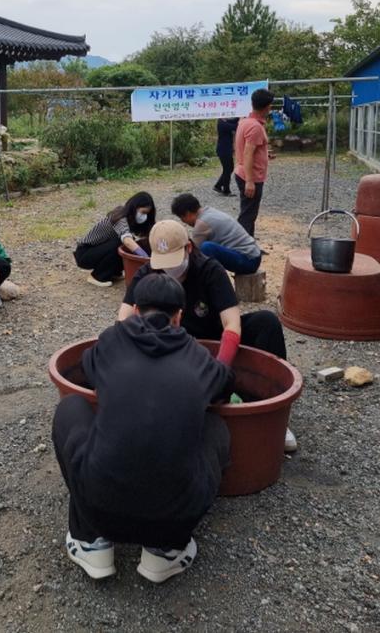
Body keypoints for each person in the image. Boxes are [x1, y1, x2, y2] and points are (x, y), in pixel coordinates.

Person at [53, 273, 233, 583]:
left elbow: (88, 368)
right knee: (216, 427)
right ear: (179, 316)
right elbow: (225, 384)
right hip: (174, 519)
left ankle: (90, 541)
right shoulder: (198, 357)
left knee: (71, 408)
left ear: (135, 311)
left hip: (99, 508)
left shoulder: (112, 341)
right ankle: (164, 552)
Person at [118, 220, 296, 452]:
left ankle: (272, 413)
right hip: (171, 346)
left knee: (266, 322)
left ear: (188, 248)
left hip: (213, 339)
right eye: (163, 263)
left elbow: (232, 323)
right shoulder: (148, 274)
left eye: (173, 261)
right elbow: (124, 319)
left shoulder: (210, 270)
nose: (169, 269)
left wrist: (219, 369)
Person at [73, 192, 156, 288]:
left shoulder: (130, 218)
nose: (145, 216)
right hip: (84, 253)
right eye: (143, 212)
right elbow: (127, 241)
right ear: (134, 207)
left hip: (97, 250)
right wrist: (145, 257)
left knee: (129, 243)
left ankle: (114, 272)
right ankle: (97, 276)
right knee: (123, 243)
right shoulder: (120, 217)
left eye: (147, 213)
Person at [171, 193, 261, 276]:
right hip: (254, 255)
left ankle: (213, 280)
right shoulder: (209, 211)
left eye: (182, 218)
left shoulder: (201, 224)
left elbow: (193, 254)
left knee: (206, 248)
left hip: (248, 261)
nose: (184, 222)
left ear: (188, 214)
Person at [234, 88, 275, 237]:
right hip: (250, 176)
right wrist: (250, 181)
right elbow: (248, 153)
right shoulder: (255, 127)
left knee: (249, 214)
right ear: (268, 106)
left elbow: (247, 148)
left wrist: (264, 154)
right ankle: (240, 245)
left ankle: (249, 244)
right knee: (247, 215)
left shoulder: (245, 121)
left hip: (243, 172)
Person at [213, 117, 239, 196]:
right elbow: (234, 127)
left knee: (229, 169)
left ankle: (218, 186)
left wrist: (240, 116)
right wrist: (241, 121)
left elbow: (233, 120)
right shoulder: (221, 122)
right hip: (223, 150)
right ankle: (226, 191)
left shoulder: (225, 121)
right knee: (228, 169)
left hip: (226, 149)